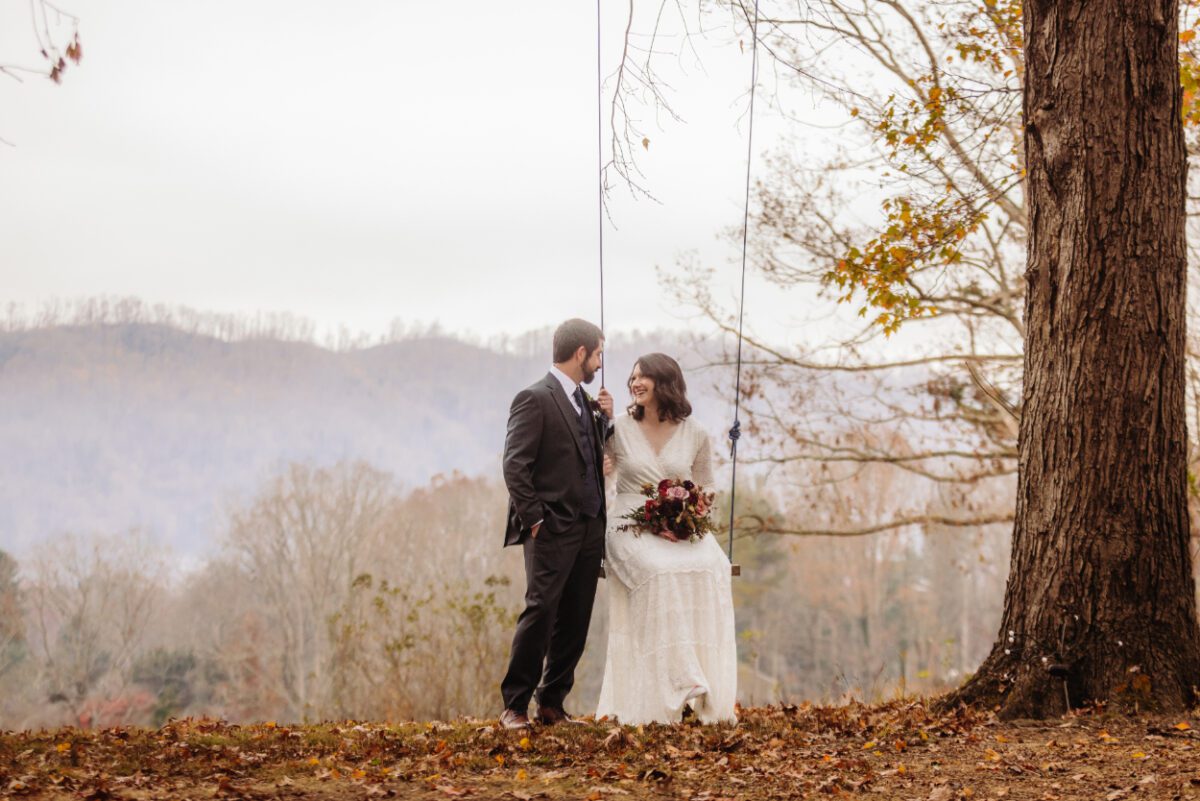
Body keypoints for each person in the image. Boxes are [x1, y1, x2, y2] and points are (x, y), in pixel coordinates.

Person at [596, 353, 737, 725]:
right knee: (658, 573)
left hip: (677, 522)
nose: (635, 383)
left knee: (715, 566)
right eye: (633, 377)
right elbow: (599, 480)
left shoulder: (695, 433)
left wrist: (703, 500)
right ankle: (682, 680)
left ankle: (708, 689)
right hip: (630, 522)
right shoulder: (618, 427)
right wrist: (602, 467)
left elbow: (705, 483)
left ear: (666, 383)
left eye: (644, 377)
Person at [499, 318, 613, 730]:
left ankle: (552, 703)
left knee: (576, 616)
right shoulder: (534, 398)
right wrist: (534, 521)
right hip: (549, 529)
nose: (600, 363)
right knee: (541, 612)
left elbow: (591, 456)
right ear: (580, 353)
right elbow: (515, 465)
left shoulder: (588, 403)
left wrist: (606, 420)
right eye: (598, 354)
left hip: (589, 528)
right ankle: (514, 707)